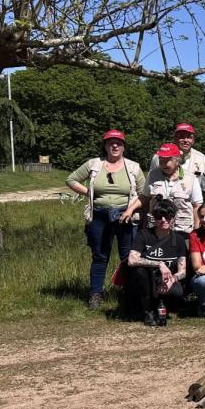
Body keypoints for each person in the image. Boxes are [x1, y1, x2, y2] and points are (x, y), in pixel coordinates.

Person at [65, 129, 146, 310]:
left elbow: (143, 194)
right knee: (100, 256)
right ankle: (95, 294)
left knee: (128, 258)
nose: (115, 145)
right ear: (105, 145)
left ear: (124, 146)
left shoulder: (133, 167)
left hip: (125, 217)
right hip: (99, 216)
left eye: (118, 142)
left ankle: (129, 294)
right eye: (111, 142)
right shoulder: (94, 164)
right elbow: (71, 180)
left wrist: (134, 212)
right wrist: (89, 193)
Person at [126, 199, 188, 326]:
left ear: (174, 217)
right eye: (159, 217)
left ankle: (162, 305)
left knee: (177, 292)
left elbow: (183, 271)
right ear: (154, 218)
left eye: (168, 216)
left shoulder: (179, 239)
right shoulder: (144, 234)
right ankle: (147, 311)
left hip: (166, 279)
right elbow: (132, 260)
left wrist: (173, 279)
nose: (164, 220)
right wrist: (159, 264)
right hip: (146, 278)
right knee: (140, 271)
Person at [141, 143, 202, 235]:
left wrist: (197, 231)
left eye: (166, 161)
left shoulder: (191, 178)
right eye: (160, 161)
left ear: (177, 160)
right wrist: (130, 211)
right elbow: (144, 197)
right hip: (156, 230)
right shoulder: (152, 175)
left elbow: (197, 206)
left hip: (182, 230)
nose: (163, 165)